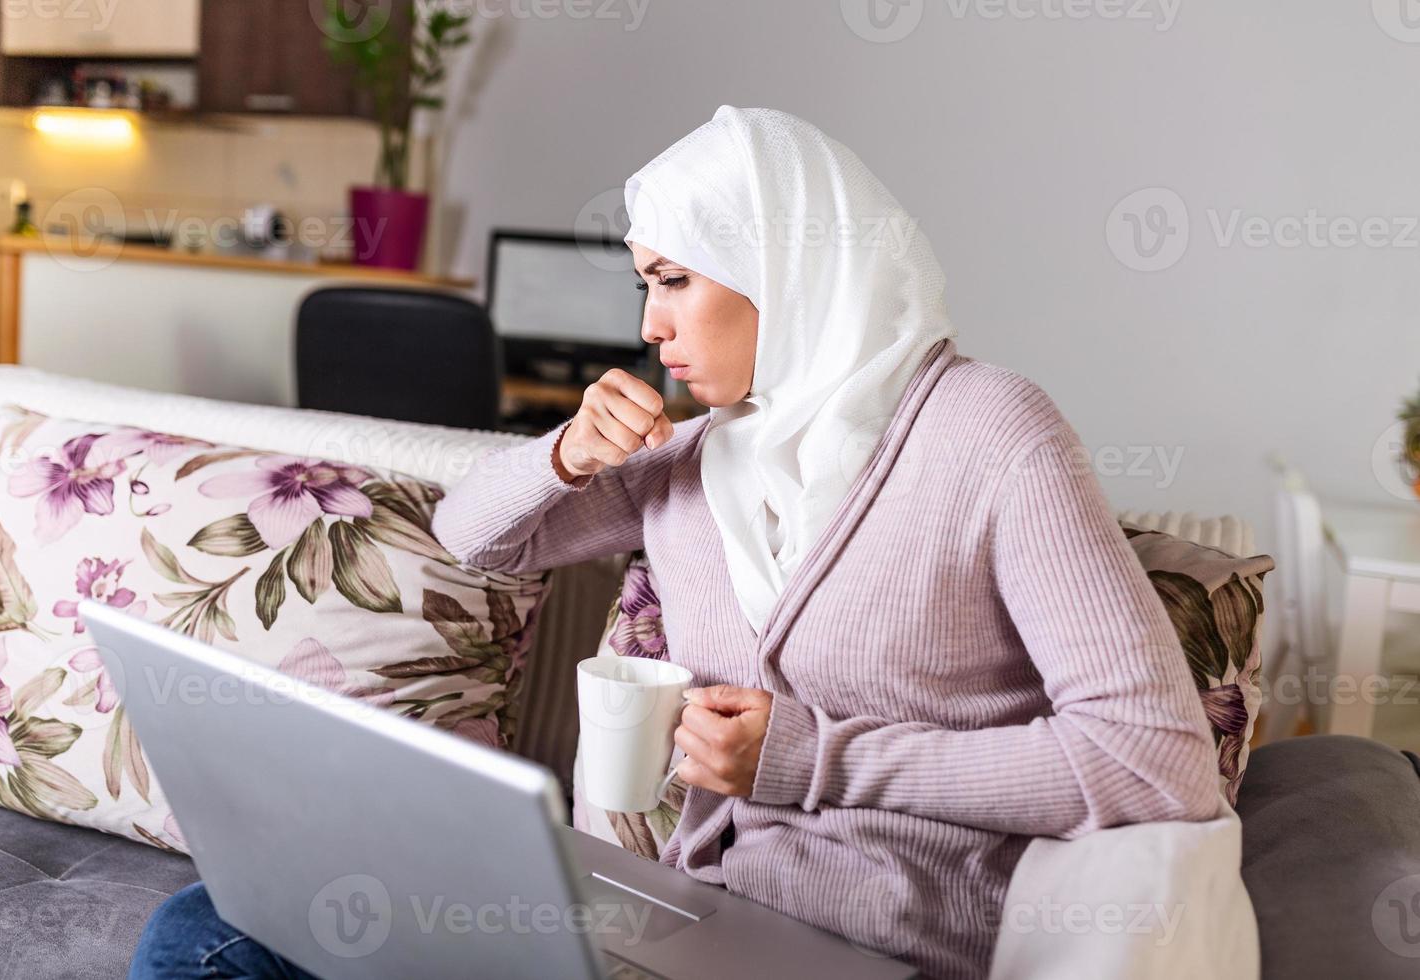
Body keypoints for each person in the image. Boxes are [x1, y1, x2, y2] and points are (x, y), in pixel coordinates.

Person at [128, 105, 1220, 980]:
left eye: (673, 279)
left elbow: (1151, 758)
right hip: (689, 913)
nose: (650, 325)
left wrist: (812, 755)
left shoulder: (991, 432)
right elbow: (476, 540)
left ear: (785, 262)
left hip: (888, 939)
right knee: (215, 922)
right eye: (645, 282)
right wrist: (563, 454)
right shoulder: (704, 455)